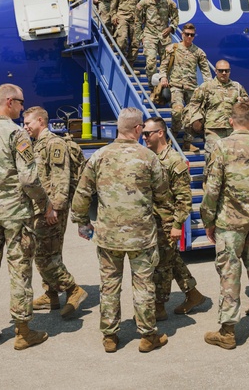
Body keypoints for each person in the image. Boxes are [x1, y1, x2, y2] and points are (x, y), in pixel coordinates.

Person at [71, 107, 171, 354]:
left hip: (108, 236)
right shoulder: (148, 158)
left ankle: (110, 337)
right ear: (138, 129)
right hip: (141, 237)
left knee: (109, 285)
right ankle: (148, 336)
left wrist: (83, 222)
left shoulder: (99, 156)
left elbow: (82, 193)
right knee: (144, 285)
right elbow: (163, 195)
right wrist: (168, 222)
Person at [0, 84, 52, 351]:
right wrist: (44, 202)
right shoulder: (17, 135)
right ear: (9, 101)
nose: (23, 108)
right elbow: (28, 178)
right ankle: (23, 331)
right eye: (21, 103)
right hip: (15, 215)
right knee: (19, 271)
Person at [199, 99, 249, 349]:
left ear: (231, 121)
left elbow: (212, 189)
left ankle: (228, 332)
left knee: (229, 276)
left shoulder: (221, 147)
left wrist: (208, 220)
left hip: (229, 224)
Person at [22, 106, 88, 317]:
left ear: (41, 121)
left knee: (43, 256)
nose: (25, 127)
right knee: (51, 253)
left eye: (28, 123)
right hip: (39, 208)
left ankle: (73, 290)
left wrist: (55, 209)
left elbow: (61, 178)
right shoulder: (36, 145)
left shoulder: (54, 143)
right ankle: (51, 295)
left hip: (50, 210)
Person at [142, 116, 206, 319]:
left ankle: (159, 307)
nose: (143, 137)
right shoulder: (150, 157)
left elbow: (184, 199)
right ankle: (193, 293)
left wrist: (177, 224)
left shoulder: (173, 161)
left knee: (161, 266)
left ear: (160, 133)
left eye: (147, 134)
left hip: (167, 222)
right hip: (154, 221)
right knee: (171, 260)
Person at [157, 22, 211, 150]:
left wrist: (208, 84)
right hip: (176, 86)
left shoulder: (198, 52)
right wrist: (163, 77)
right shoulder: (173, 48)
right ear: (182, 34)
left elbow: (205, 70)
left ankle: (187, 142)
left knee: (193, 116)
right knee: (177, 111)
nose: (189, 37)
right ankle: (174, 135)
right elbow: (164, 65)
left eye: (192, 35)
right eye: (187, 34)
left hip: (192, 87)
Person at [185, 59, 248, 169]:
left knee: (232, 160)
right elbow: (194, 104)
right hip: (213, 129)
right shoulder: (206, 87)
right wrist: (196, 119)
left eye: (226, 71)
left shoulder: (237, 87)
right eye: (221, 70)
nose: (224, 73)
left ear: (230, 71)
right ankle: (208, 183)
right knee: (212, 159)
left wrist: (243, 101)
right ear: (216, 71)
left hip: (232, 129)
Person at [136, 0, 179, 85]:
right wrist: (141, 35)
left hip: (164, 37)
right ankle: (153, 87)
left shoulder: (169, 3)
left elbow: (175, 17)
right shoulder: (145, 2)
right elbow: (136, 20)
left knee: (168, 63)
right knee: (151, 63)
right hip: (149, 35)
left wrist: (171, 28)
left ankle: (165, 87)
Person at [111, 0, 145, 64]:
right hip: (122, 16)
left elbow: (142, 4)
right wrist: (113, 16)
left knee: (135, 44)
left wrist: (143, 17)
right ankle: (123, 58)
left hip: (135, 19)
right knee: (122, 40)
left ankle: (129, 64)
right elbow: (114, 4)